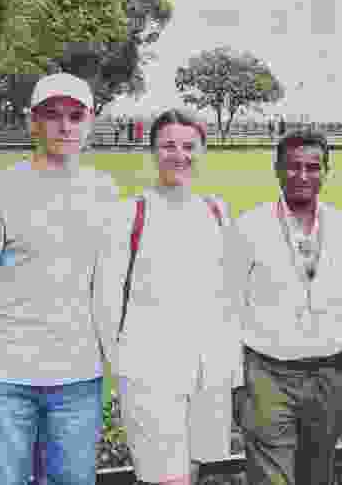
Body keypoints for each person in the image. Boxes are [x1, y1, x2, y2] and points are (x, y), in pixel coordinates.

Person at [0, 73, 119, 485]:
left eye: (75, 116)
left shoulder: (106, 192)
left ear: (90, 121)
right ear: (33, 122)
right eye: (52, 115)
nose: (65, 125)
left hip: (79, 380)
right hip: (6, 380)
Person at [95, 108, 238, 485]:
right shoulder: (131, 212)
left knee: (194, 470)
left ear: (203, 150)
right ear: (152, 151)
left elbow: (227, 293)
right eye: (168, 146)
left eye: (189, 146)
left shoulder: (216, 210)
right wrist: (124, 364)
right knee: (166, 478)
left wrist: (228, 368)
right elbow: (106, 301)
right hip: (150, 373)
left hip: (208, 373)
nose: (179, 155)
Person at [226, 129, 342, 485]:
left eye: (313, 167)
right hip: (269, 376)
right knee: (272, 478)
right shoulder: (249, 227)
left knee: (318, 475)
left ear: (325, 172)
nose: (303, 176)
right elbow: (229, 307)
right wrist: (236, 384)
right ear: (277, 169)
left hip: (330, 376)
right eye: (293, 166)